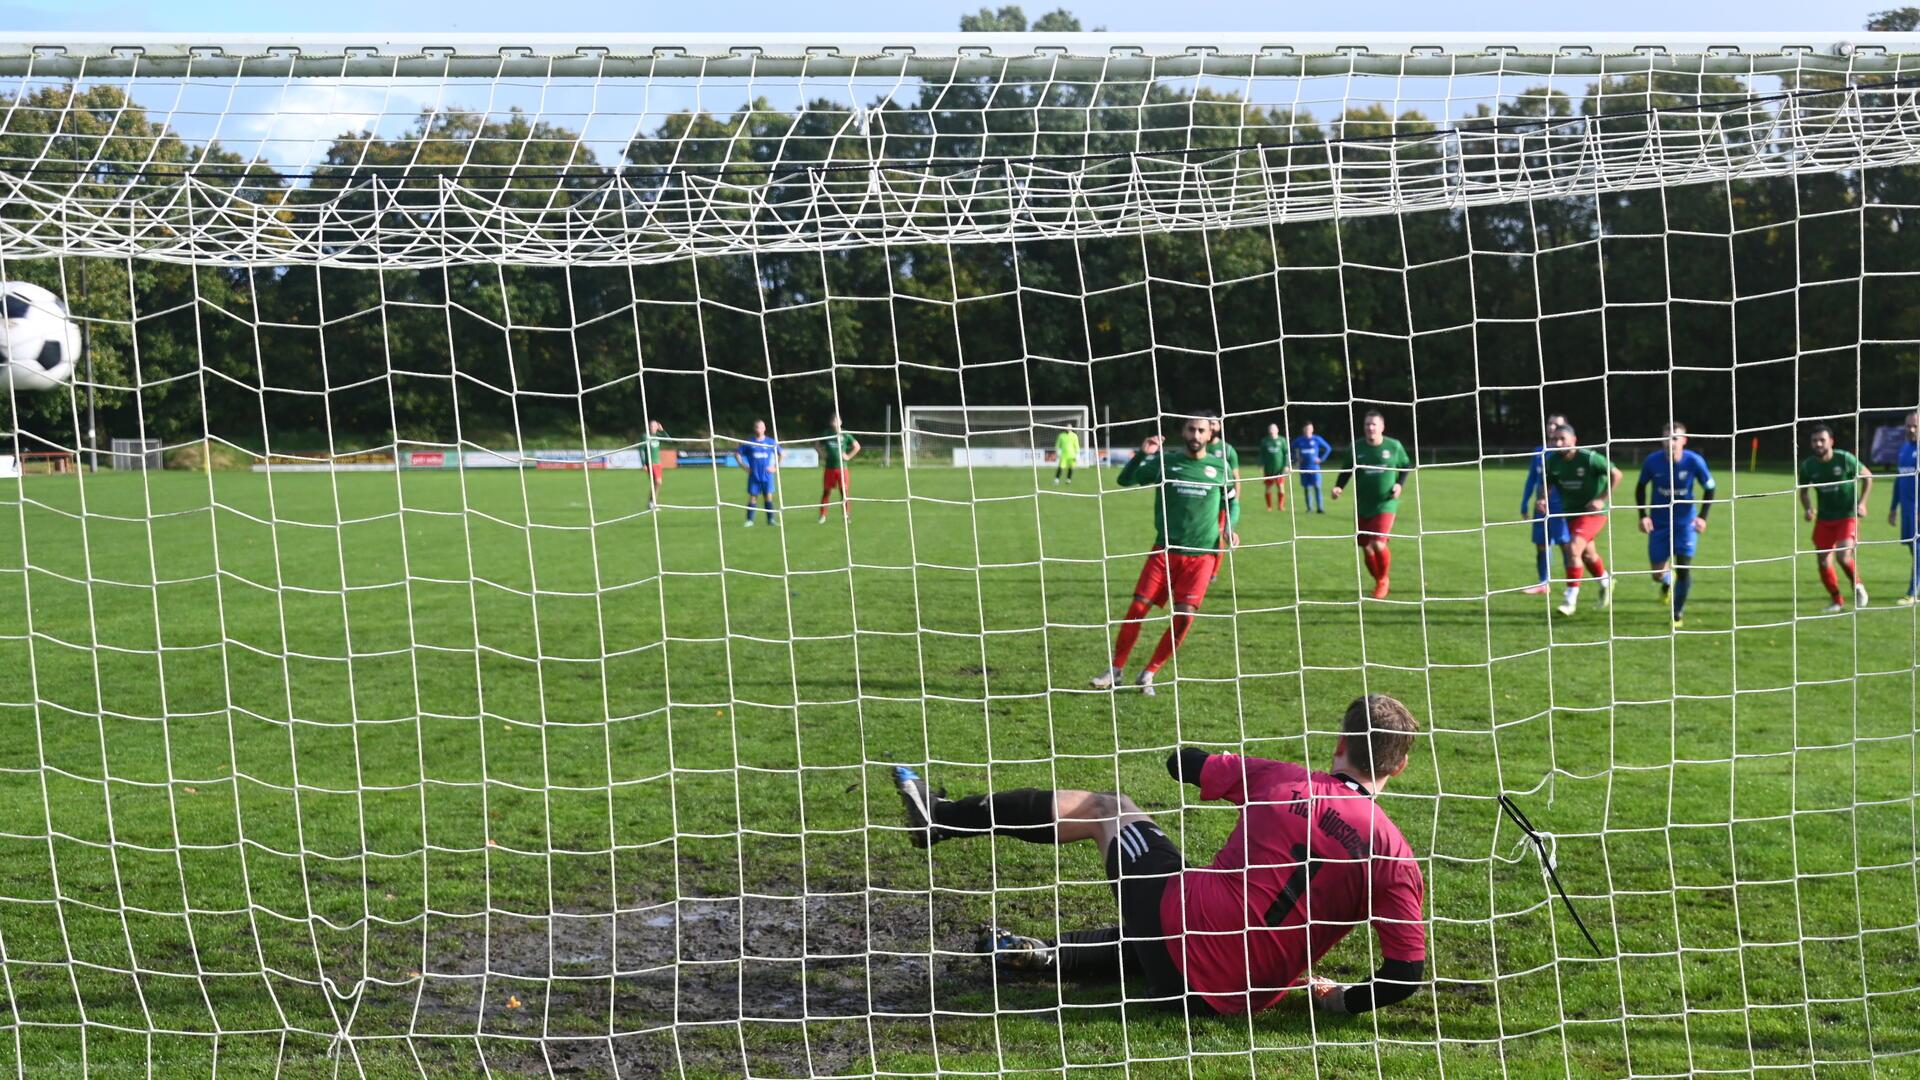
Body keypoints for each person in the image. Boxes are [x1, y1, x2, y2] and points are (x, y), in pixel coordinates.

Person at [888, 694, 1427, 1019]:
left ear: (1338, 744)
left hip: (1183, 928)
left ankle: (943, 819)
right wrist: (1338, 1002)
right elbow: (1405, 975)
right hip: (1230, 999)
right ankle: (1049, 956)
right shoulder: (1396, 857)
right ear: (1397, 769)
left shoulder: (1287, 779)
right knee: (1186, 926)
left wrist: (1229, 769)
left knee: (1109, 809)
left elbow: (1181, 763)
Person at [1090, 414, 1240, 697]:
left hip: (1202, 556)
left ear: (1210, 436)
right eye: (1191, 429)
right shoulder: (1165, 462)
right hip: (1165, 551)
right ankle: (1115, 670)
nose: (1196, 434)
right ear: (1183, 432)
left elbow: (1232, 503)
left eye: (1201, 430)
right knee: (1137, 610)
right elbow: (1125, 480)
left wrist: (1230, 528)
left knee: (1184, 618)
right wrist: (1141, 456)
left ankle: (1149, 672)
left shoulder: (1220, 467)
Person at [1636, 423, 1716, 629]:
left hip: (1685, 524)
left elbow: (1710, 488)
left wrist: (1702, 517)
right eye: (1666, 437)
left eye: (1675, 438)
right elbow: (1640, 487)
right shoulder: (1652, 462)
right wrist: (1643, 516)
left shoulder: (1694, 461)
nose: (1670, 442)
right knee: (1657, 574)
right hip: (1659, 524)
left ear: (1684, 440)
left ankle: (1677, 612)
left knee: (1684, 567)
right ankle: (1666, 582)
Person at [1539, 424, 1622, 617]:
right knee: (1587, 555)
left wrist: (1601, 499)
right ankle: (1606, 582)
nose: (1558, 443)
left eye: (1562, 439)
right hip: (1572, 513)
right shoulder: (1552, 462)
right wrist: (1543, 497)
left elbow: (1616, 474)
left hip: (1593, 513)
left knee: (1573, 548)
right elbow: (1547, 482)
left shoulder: (1590, 458)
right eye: (1554, 439)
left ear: (1573, 440)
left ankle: (1570, 600)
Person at [1331, 411, 1413, 600]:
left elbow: (1406, 465)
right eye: (1367, 424)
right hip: (1363, 505)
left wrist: (1399, 484)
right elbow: (1346, 471)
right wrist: (1338, 487)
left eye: (1374, 424)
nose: (1370, 427)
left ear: (1382, 427)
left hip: (1386, 503)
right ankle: (1379, 580)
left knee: (1377, 543)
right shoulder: (1356, 447)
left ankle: (1383, 580)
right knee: (1366, 548)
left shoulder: (1393, 446)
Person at [1798, 423, 1871, 613]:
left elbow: (1868, 476)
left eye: (1822, 440)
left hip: (1847, 516)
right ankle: (1837, 600)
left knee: (1843, 555)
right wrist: (1807, 509)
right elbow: (1803, 492)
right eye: (1815, 441)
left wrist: (1862, 503)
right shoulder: (1807, 466)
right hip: (1824, 518)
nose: (1818, 444)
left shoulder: (1844, 459)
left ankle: (1858, 586)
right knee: (1822, 561)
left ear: (1831, 441)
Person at [1519, 414, 1571, 595]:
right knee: (1541, 544)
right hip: (1541, 505)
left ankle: (1570, 584)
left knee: (1566, 544)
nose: (1552, 427)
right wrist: (1524, 503)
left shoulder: (1567, 454)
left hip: (1561, 506)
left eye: (1557, 425)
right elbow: (1532, 479)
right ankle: (1544, 582)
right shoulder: (1539, 451)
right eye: (1550, 424)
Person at [1889, 412, 1918, 606]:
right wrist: (1893, 508)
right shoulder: (1904, 449)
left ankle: (1912, 592)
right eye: (1908, 426)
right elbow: (1899, 481)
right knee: (1912, 547)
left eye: (1915, 426)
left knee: (1918, 549)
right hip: (1907, 511)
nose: (1911, 429)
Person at [736, 419, 781, 526]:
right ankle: (749, 520)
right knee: (753, 497)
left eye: (761, 427)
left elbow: (781, 454)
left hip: (767, 475)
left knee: (768, 496)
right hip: (754, 475)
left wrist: (775, 467)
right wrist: (744, 466)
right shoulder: (749, 442)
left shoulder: (770, 442)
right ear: (754, 428)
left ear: (764, 428)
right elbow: (737, 453)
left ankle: (770, 520)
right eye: (757, 427)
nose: (759, 429)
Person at [818, 416, 860, 524]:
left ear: (841, 422)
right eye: (833, 420)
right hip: (829, 468)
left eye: (837, 420)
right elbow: (817, 445)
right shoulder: (827, 433)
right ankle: (822, 516)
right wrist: (823, 455)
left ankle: (846, 516)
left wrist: (848, 457)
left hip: (842, 469)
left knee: (844, 492)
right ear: (831, 422)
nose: (835, 422)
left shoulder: (845, 434)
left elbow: (857, 446)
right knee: (826, 492)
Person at [1293, 423, 1333, 513]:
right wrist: (1296, 458)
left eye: (1309, 428)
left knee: (1317, 487)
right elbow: (1290, 449)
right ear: (1303, 430)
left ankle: (1320, 508)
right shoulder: (1299, 440)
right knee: (1306, 488)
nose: (1308, 430)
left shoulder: (1317, 439)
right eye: (1306, 429)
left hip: (1315, 468)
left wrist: (1321, 459)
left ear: (1312, 429)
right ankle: (1309, 508)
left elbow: (1328, 448)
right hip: (1303, 468)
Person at [1259, 423, 1288, 510]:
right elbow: (1261, 454)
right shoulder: (1265, 441)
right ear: (1268, 431)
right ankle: (1269, 506)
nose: (1272, 431)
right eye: (1270, 429)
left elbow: (1286, 454)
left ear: (1277, 430)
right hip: (1268, 469)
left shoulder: (1282, 440)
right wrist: (1261, 464)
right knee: (1268, 488)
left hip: (1280, 469)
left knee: (1281, 487)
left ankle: (1281, 506)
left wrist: (1286, 465)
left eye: (1274, 429)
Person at [641, 419, 668, 509]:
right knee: (657, 482)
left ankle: (652, 502)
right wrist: (643, 463)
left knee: (657, 483)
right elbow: (641, 450)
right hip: (650, 463)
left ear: (657, 427)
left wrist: (662, 430)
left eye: (654, 426)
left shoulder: (658, 436)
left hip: (658, 463)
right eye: (651, 426)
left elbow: (669, 440)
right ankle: (652, 502)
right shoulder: (645, 436)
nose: (652, 427)